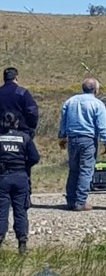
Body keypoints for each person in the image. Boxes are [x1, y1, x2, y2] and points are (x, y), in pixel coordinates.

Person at [58, 78, 106, 211]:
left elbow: (63, 121)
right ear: (95, 90)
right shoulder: (98, 104)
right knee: (86, 170)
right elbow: (102, 126)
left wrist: (62, 137)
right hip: (88, 139)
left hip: (72, 139)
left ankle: (71, 200)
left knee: (74, 169)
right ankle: (80, 201)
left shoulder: (70, 101)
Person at [0, 112, 40, 255]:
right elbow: (35, 157)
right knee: (21, 212)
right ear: (16, 123)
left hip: (2, 177)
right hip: (20, 177)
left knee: (1, 212)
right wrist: (24, 165)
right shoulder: (24, 138)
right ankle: (22, 244)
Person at [0, 68, 39, 199]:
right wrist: (30, 127)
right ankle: (24, 195)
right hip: (22, 133)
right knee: (23, 164)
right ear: (16, 78)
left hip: (1, 134)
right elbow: (32, 111)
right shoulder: (22, 93)